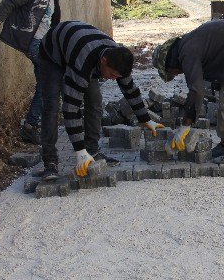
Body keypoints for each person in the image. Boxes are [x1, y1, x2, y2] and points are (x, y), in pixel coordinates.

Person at [38, 21, 164, 180]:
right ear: (103, 61)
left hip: (79, 48)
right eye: (111, 75)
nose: (113, 80)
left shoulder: (118, 59)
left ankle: (93, 150)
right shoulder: (84, 62)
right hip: (52, 57)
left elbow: (130, 90)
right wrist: (79, 151)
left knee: (95, 102)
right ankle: (50, 162)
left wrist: (146, 120)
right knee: (51, 107)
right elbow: (71, 108)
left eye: (117, 77)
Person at [0, 0, 78, 144]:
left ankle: (33, 126)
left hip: (43, 46)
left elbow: (52, 24)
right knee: (51, 78)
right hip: (34, 44)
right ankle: (40, 124)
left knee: (45, 83)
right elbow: (10, 1)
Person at [152, 17, 224, 164]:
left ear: (169, 62)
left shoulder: (187, 51)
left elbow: (196, 90)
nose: (177, 74)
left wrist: (185, 126)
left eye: (172, 72)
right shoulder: (186, 46)